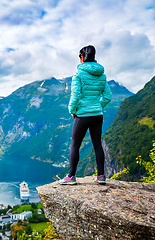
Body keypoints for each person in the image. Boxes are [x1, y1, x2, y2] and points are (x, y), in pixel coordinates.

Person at [59, 45, 112, 185]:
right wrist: (97, 106)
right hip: (97, 115)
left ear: (82, 57)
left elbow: (75, 95)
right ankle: (101, 176)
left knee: (75, 144)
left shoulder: (78, 74)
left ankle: (71, 177)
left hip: (82, 115)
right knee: (97, 145)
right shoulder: (102, 75)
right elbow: (107, 96)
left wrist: (72, 110)